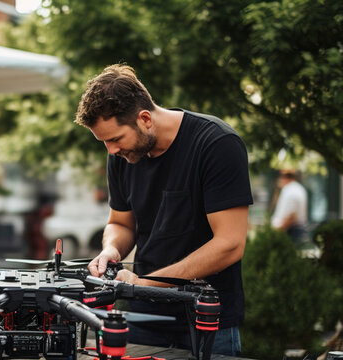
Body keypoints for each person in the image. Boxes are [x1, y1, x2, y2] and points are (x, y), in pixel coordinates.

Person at [78, 65, 252, 356]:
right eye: (104, 142)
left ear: (144, 119)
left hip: (206, 319)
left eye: (115, 139)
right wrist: (111, 250)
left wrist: (146, 284)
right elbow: (121, 223)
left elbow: (229, 245)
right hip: (143, 317)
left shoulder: (216, 144)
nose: (110, 151)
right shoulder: (122, 155)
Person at [270, 169, 308, 243]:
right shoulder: (296, 188)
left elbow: (291, 216)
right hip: (293, 230)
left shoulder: (291, 190)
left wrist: (277, 231)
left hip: (290, 231)